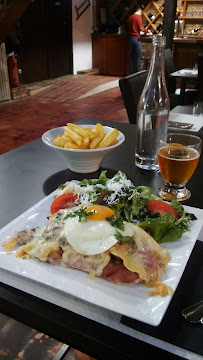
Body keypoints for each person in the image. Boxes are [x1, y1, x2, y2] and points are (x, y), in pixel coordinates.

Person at [127, 7, 151, 74]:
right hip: (137, 38)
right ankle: (137, 73)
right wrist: (147, 30)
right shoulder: (138, 17)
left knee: (131, 57)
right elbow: (141, 28)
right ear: (140, 11)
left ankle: (130, 73)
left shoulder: (130, 17)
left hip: (131, 38)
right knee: (138, 57)